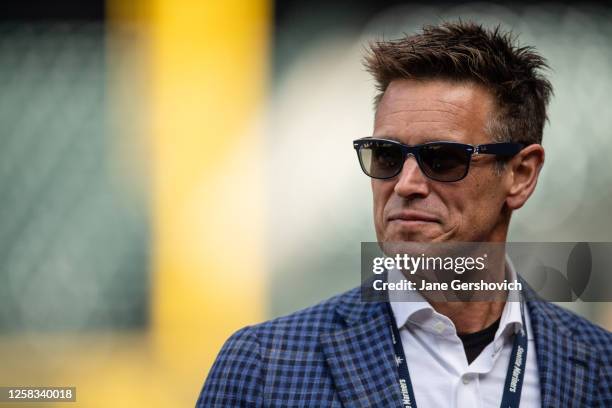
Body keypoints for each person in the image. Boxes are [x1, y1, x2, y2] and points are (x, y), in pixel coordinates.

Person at [197, 21, 612, 407]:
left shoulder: (598, 367)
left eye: (443, 158)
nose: (405, 183)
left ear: (521, 175)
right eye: (387, 156)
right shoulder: (264, 367)